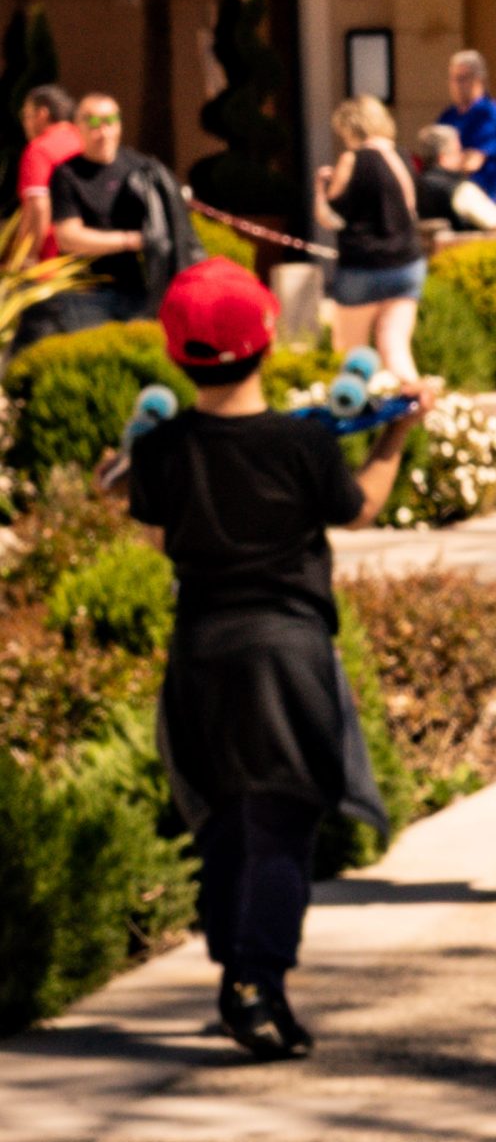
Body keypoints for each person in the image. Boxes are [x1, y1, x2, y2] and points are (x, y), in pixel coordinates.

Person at [120, 257, 432, 1061]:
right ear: (266, 344)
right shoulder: (301, 444)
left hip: (202, 655)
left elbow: (156, 535)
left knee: (228, 820)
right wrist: (396, 433)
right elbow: (360, 509)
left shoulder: (162, 451)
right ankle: (255, 984)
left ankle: (246, 977)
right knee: (282, 822)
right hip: (286, 654)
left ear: (178, 353)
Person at [30, 91, 200, 342]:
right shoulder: (66, 175)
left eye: (110, 121)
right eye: (94, 123)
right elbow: (69, 237)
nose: (104, 132)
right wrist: (132, 240)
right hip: (86, 296)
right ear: (79, 127)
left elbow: (172, 230)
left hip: (140, 293)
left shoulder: (142, 170)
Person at [313, 97, 425, 382]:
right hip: (407, 264)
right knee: (396, 348)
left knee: (350, 355)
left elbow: (329, 217)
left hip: (362, 267)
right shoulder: (402, 157)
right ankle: (415, 410)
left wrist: (320, 186)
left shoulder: (351, 159)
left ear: (351, 128)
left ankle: (356, 419)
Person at [412, 123, 496, 234]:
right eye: (458, 151)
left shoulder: (417, 185)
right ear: (443, 158)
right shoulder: (460, 189)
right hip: (464, 249)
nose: (462, 157)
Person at [436, 49, 496, 202]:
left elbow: (473, 162)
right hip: (449, 198)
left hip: (483, 200)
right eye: (453, 78)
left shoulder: (490, 114)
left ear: (479, 80)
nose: (457, 84)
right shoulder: (448, 116)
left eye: (462, 78)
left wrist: (444, 163)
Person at [16, 84, 80, 257]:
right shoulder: (83, 143)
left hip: (52, 258)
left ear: (42, 114)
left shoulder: (39, 150)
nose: (25, 124)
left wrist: (28, 255)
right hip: (87, 253)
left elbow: (38, 206)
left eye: (26, 116)